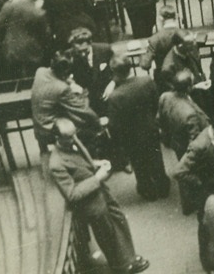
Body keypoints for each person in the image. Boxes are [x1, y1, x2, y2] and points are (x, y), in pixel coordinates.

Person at [49, 117, 150, 274]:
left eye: (74, 134)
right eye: (69, 137)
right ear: (57, 138)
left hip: (100, 192)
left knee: (119, 221)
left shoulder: (72, 141)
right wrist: (97, 178)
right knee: (107, 234)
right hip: (90, 204)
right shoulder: (56, 164)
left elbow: (82, 161)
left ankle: (129, 257)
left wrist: (96, 163)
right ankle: (121, 266)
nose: (74, 138)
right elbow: (72, 194)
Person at [104, 56, 171, 201]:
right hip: (150, 128)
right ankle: (163, 187)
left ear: (114, 72)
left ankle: (148, 191)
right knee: (156, 158)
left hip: (131, 136)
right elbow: (156, 102)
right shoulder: (146, 81)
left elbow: (114, 124)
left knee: (139, 164)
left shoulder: (115, 96)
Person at [158, 69, 210, 160]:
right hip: (188, 148)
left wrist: (196, 86)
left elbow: (161, 120)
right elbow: (195, 142)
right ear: (188, 88)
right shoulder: (190, 114)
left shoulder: (165, 97)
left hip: (176, 142)